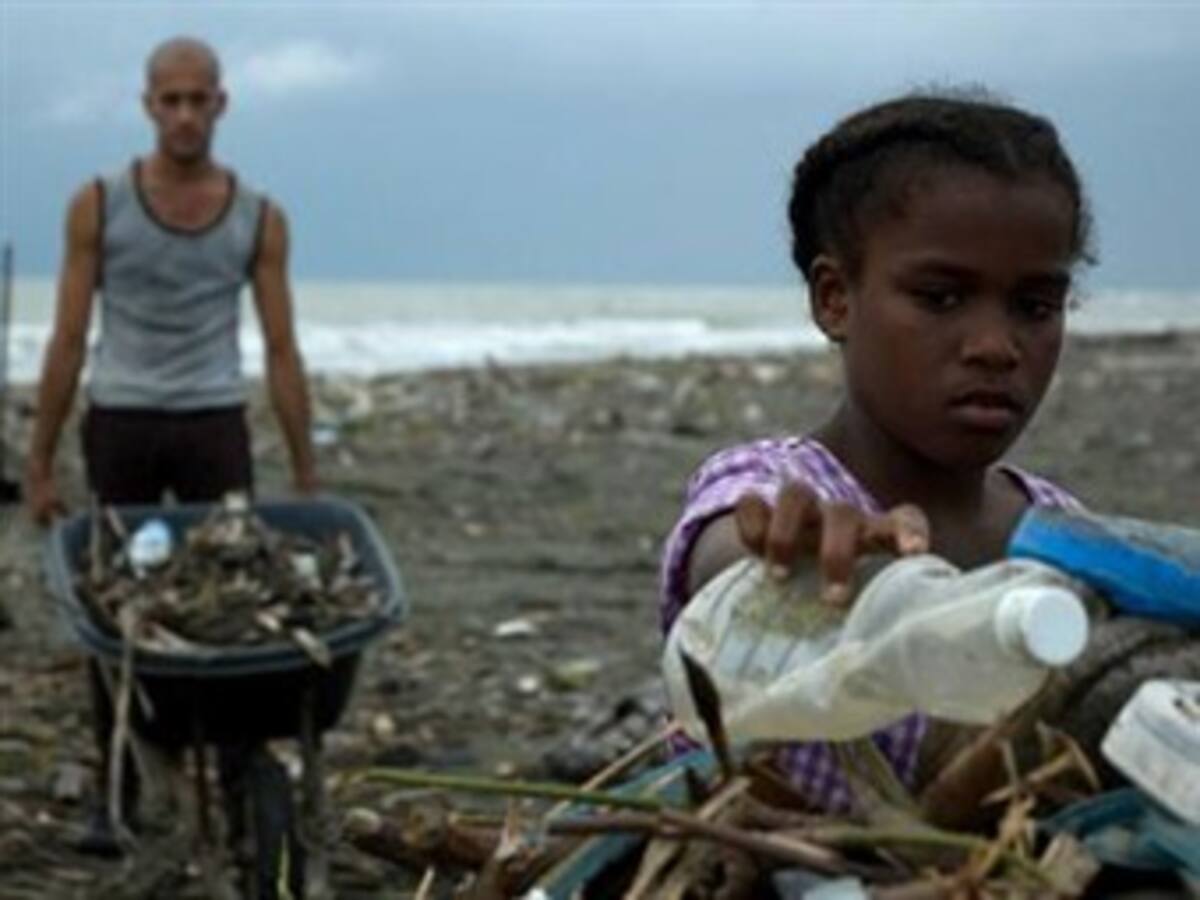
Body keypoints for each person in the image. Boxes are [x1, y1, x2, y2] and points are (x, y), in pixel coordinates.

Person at [659, 90, 1092, 812]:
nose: (996, 346)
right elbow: (726, 549)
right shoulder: (779, 484)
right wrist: (792, 560)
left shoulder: (1062, 531)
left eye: (1035, 307)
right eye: (940, 298)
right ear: (835, 298)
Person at [24, 36, 318, 854]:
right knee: (111, 605)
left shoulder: (257, 216)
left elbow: (282, 348)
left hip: (212, 423)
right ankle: (115, 794)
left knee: (233, 602)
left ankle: (237, 784)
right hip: (121, 421)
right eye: (171, 100)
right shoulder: (99, 203)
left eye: (199, 99)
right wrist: (40, 461)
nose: (185, 115)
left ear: (221, 104)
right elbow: (68, 337)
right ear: (148, 106)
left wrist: (306, 472)